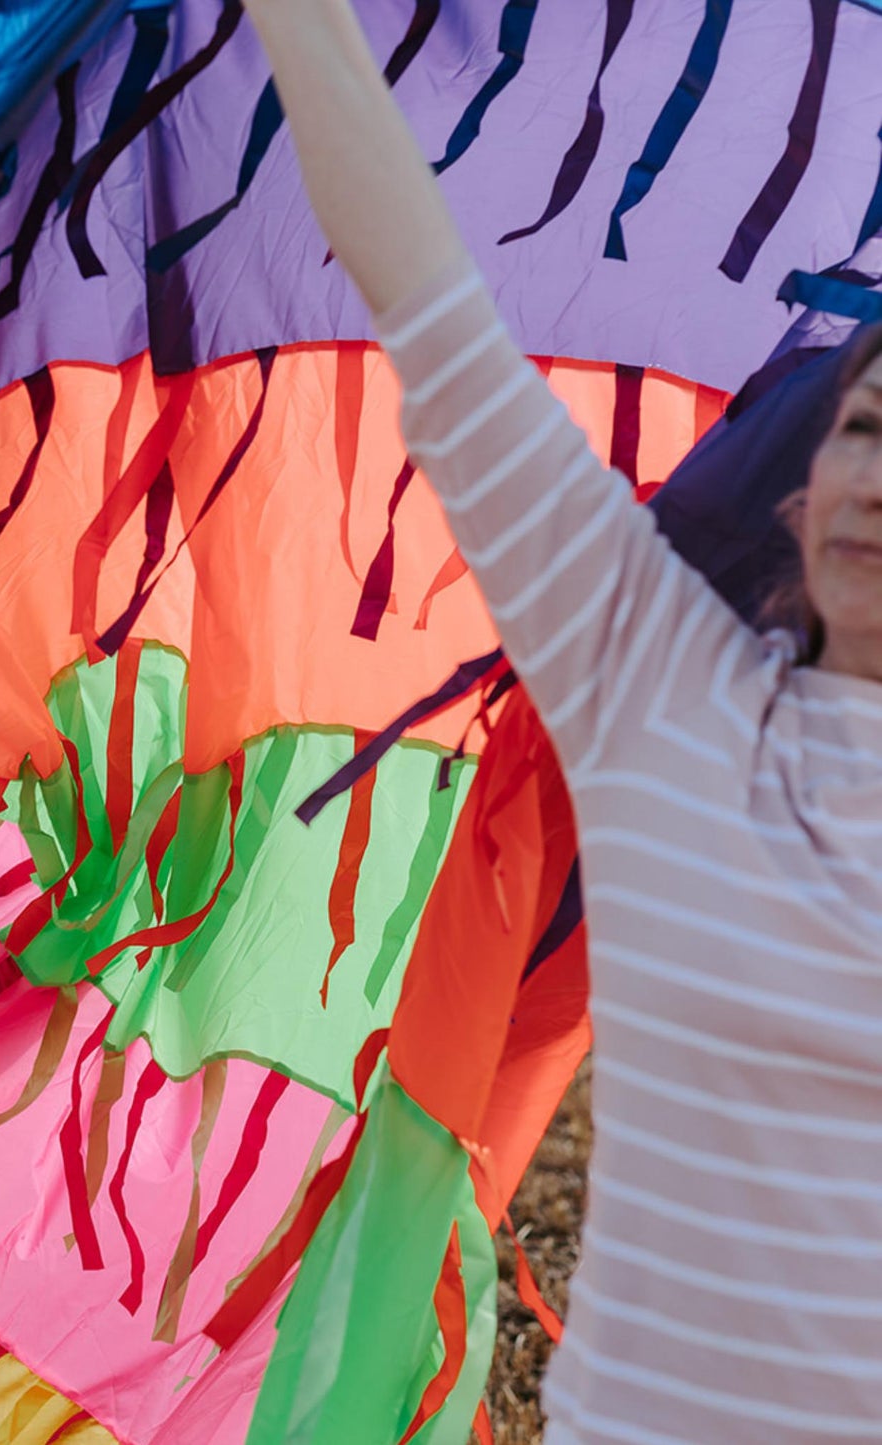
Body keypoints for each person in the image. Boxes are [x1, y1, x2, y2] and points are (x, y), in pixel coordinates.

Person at [240, 0, 882, 1439]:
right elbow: (421, 285)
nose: (878, 478)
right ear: (797, 491)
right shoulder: (657, 687)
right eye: (862, 426)